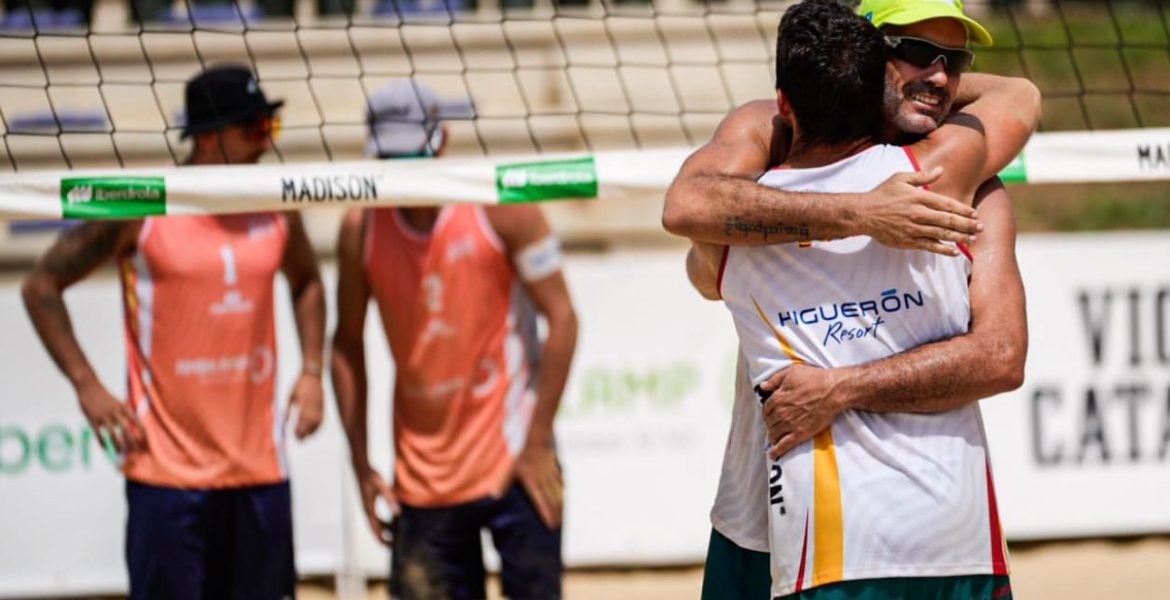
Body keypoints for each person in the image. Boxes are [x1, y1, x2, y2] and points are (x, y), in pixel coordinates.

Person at [681, 0, 1030, 598]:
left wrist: (840, 388)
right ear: (870, 55)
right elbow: (688, 212)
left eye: (955, 60)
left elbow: (1022, 93)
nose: (941, 78)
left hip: (895, 530)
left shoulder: (957, 176)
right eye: (918, 53)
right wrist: (860, 212)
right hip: (763, 510)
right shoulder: (767, 131)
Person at [21, 64, 326, 599]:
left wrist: (313, 370)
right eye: (253, 129)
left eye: (269, 129)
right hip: (166, 478)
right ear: (208, 137)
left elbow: (307, 282)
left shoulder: (276, 203)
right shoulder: (142, 205)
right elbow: (41, 287)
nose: (265, 142)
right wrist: (87, 386)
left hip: (259, 472)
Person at [331, 79, 579, 600]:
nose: (404, 173)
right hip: (423, 479)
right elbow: (346, 344)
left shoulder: (502, 207)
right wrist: (360, 462)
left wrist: (536, 442)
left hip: (517, 464)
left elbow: (563, 319)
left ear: (440, 141)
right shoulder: (361, 228)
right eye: (391, 159)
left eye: (413, 156)